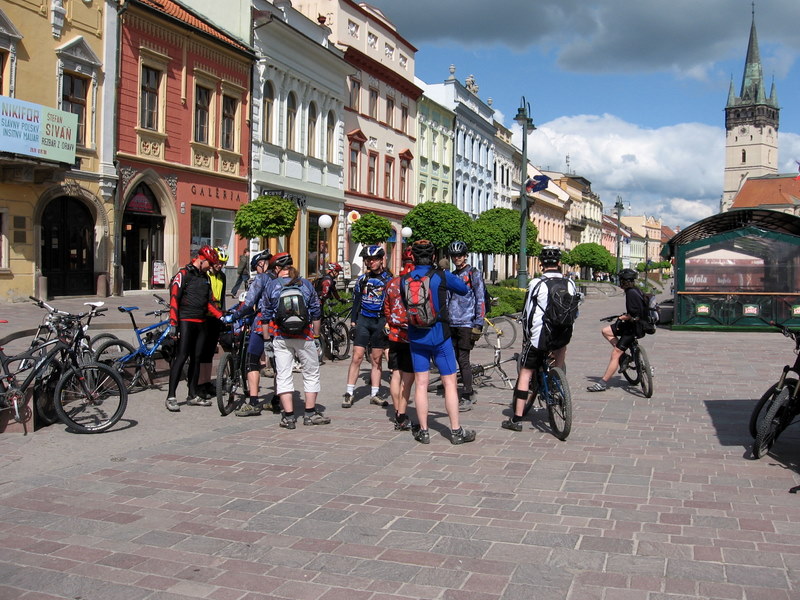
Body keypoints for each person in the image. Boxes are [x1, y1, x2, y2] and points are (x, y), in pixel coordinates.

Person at [403, 240, 475, 445]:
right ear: (434, 256)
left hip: (416, 337)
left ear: (413, 257)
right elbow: (463, 289)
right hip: (440, 336)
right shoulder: (441, 276)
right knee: (450, 382)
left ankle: (424, 431)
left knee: (421, 384)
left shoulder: (405, 279)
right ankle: (456, 431)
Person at [503, 246, 577, 431]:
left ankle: (516, 419)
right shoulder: (570, 283)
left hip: (540, 335)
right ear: (559, 263)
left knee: (525, 373)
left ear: (541, 264)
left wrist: (527, 337)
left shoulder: (537, 283)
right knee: (560, 356)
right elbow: (574, 312)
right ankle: (557, 382)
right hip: (563, 334)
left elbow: (527, 313)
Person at [258, 252, 329, 429]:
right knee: (311, 374)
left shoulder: (272, 286)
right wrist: (316, 337)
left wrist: (267, 340)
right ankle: (310, 414)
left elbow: (265, 315)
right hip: (305, 336)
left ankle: (289, 417)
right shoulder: (305, 284)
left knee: (283, 375)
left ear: (277, 268)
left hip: (281, 337)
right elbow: (316, 312)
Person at [165, 245, 223, 412]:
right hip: (186, 321)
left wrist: (221, 316)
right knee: (181, 356)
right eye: (209, 264)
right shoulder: (183, 274)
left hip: (201, 322)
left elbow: (209, 302)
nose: (211, 267)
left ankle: (192, 394)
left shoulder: (205, 278)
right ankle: (171, 396)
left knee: (197, 358)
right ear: (202, 260)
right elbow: (174, 298)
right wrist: (173, 323)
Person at [223, 250, 277, 416]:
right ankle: (277, 401)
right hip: (280, 325)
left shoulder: (261, 279)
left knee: (252, 361)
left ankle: (253, 403)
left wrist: (235, 316)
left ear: (261, 264)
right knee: (278, 364)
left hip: (263, 324)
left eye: (256, 268)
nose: (256, 271)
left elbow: (248, 303)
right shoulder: (281, 278)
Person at [342, 245, 392, 408]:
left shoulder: (389, 280)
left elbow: (392, 303)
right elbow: (356, 302)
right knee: (357, 356)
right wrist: (353, 322)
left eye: (374, 259)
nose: (371, 262)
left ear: (381, 260)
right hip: (364, 320)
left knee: (376, 359)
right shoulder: (362, 279)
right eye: (368, 260)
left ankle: (375, 394)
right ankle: (349, 393)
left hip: (380, 321)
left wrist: (389, 322)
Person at [586, 268, 648, 392]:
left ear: (624, 281)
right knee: (606, 331)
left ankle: (603, 383)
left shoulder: (630, 293)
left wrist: (622, 317)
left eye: (621, 280)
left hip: (632, 328)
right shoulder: (636, 290)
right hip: (638, 325)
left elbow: (634, 314)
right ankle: (624, 356)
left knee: (615, 354)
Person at [445, 240, 486, 412]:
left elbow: (480, 298)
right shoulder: (451, 275)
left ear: (465, 256)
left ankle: (468, 394)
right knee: (454, 358)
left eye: (460, 255)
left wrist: (479, 322)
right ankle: (462, 389)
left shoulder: (473, 273)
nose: (457, 258)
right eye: (454, 256)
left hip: (466, 322)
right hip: (451, 322)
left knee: (463, 359)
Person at [383, 270, 414, 431]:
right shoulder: (416, 282)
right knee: (408, 378)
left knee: (396, 374)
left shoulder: (391, 283)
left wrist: (392, 322)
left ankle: (396, 411)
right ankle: (401, 415)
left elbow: (386, 308)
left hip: (394, 334)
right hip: (410, 335)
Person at [197, 248, 227, 398]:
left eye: (223, 263)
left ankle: (207, 382)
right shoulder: (205, 274)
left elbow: (222, 298)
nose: (220, 265)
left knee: (210, 352)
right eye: (218, 262)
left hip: (216, 317)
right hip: (204, 316)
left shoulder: (222, 276)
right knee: (201, 352)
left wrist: (223, 314)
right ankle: (199, 384)